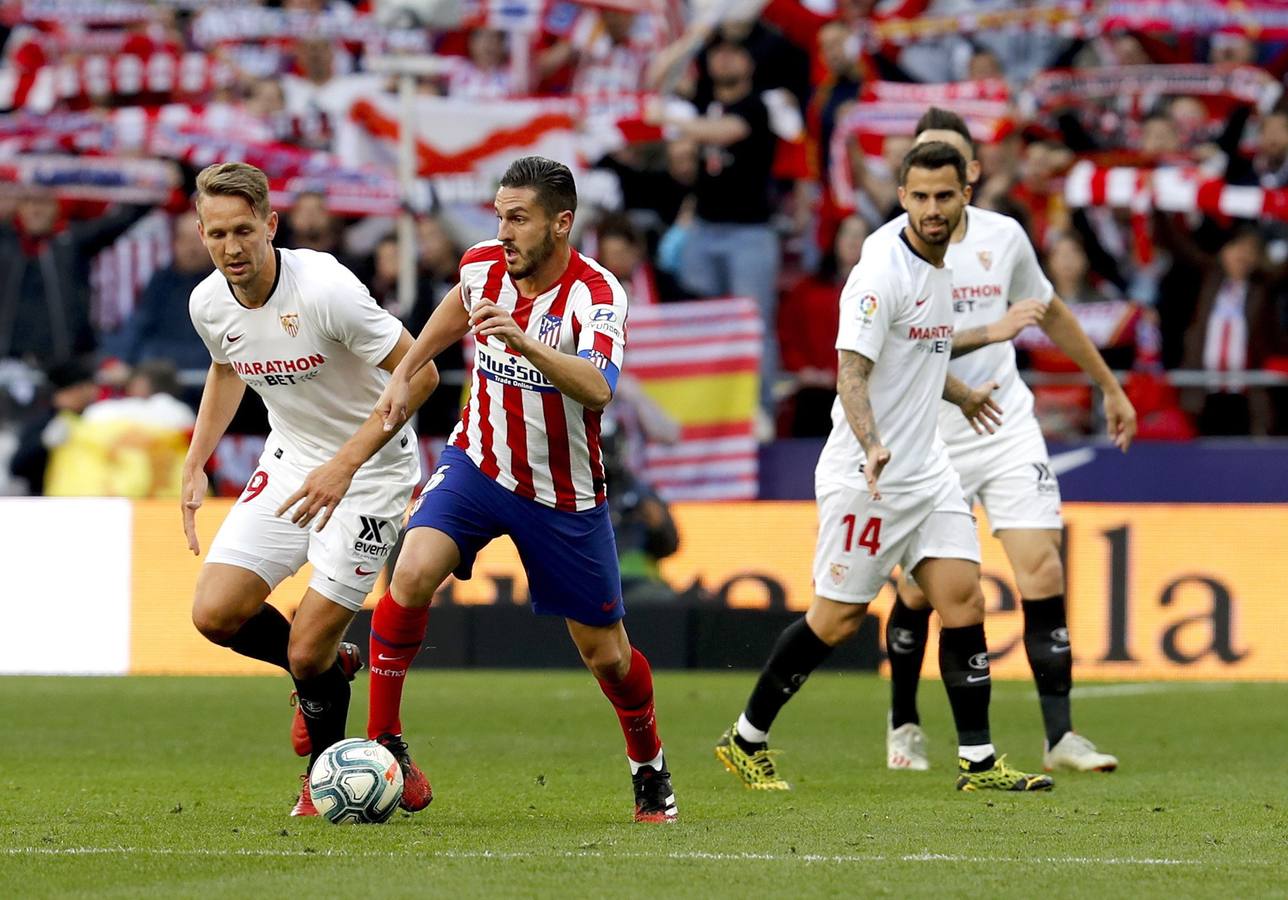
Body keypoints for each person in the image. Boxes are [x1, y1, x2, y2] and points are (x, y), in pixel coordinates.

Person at [715, 141, 1054, 793]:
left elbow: (922, 352)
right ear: (901, 198)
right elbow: (853, 374)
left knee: (963, 599)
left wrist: (961, 393)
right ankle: (746, 737)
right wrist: (871, 444)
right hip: (866, 476)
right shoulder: (880, 275)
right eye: (920, 197)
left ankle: (978, 763)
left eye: (944, 197)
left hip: (927, 473)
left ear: (964, 198)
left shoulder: (944, 267)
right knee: (836, 620)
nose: (932, 209)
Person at [364, 156, 678, 823]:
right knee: (412, 571)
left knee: (608, 656)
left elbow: (598, 387)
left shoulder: (597, 296)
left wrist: (526, 344)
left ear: (561, 224)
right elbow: (458, 305)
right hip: (479, 461)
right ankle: (384, 743)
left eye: (518, 218)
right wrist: (410, 366)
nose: (502, 232)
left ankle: (648, 763)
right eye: (499, 215)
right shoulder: (483, 264)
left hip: (561, 492)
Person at [883, 108, 1137, 775]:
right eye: (922, 177)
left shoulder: (1004, 238)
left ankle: (1061, 736)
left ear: (971, 174)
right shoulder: (886, 250)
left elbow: (1050, 313)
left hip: (1005, 425)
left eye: (951, 170)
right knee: (919, 592)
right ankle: (904, 722)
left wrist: (1109, 386)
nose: (936, 191)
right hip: (927, 438)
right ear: (908, 183)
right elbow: (884, 353)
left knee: (1043, 568)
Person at [181, 162, 439, 817]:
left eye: (244, 231)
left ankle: (322, 781)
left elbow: (424, 375)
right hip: (294, 461)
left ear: (271, 224)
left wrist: (347, 465)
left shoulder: (325, 289)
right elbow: (225, 368)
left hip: (373, 471)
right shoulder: (208, 301)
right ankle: (323, 674)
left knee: (305, 645)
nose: (231, 248)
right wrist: (195, 458)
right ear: (201, 232)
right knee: (214, 614)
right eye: (217, 234)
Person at [109, 210, 215, 371]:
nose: (192, 249)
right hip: (161, 365)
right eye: (185, 240)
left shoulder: (226, 284)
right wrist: (121, 361)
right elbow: (139, 323)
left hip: (209, 365)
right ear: (174, 243)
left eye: (198, 240)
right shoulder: (161, 281)